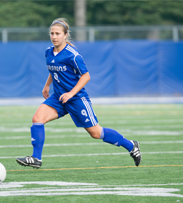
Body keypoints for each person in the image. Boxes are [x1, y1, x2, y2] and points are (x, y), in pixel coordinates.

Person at [16, 18, 141, 168]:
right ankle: (36, 159)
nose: (54, 36)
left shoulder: (72, 55)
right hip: (59, 97)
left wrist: (71, 93)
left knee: (96, 133)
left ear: (65, 35)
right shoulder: (49, 52)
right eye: (52, 33)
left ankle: (131, 145)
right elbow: (53, 69)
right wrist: (47, 86)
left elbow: (86, 76)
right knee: (37, 118)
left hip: (76, 99)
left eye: (58, 33)